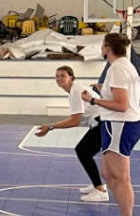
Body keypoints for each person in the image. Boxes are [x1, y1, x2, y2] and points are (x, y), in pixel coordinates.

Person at [82, 33, 140, 216]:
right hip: (115, 124)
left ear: (107, 47)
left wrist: (93, 101)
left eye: (102, 45)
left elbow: (121, 105)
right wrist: (103, 90)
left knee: (121, 178)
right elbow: (119, 95)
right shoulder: (122, 66)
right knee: (108, 174)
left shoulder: (117, 68)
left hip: (121, 125)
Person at [35, 67, 106, 203]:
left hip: (103, 122)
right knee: (82, 151)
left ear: (71, 78)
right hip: (98, 122)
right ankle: (97, 183)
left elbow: (75, 121)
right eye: (57, 76)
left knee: (83, 152)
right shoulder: (74, 90)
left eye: (63, 76)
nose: (59, 78)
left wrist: (50, 127)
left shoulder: (76, 91)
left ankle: (100, 190)